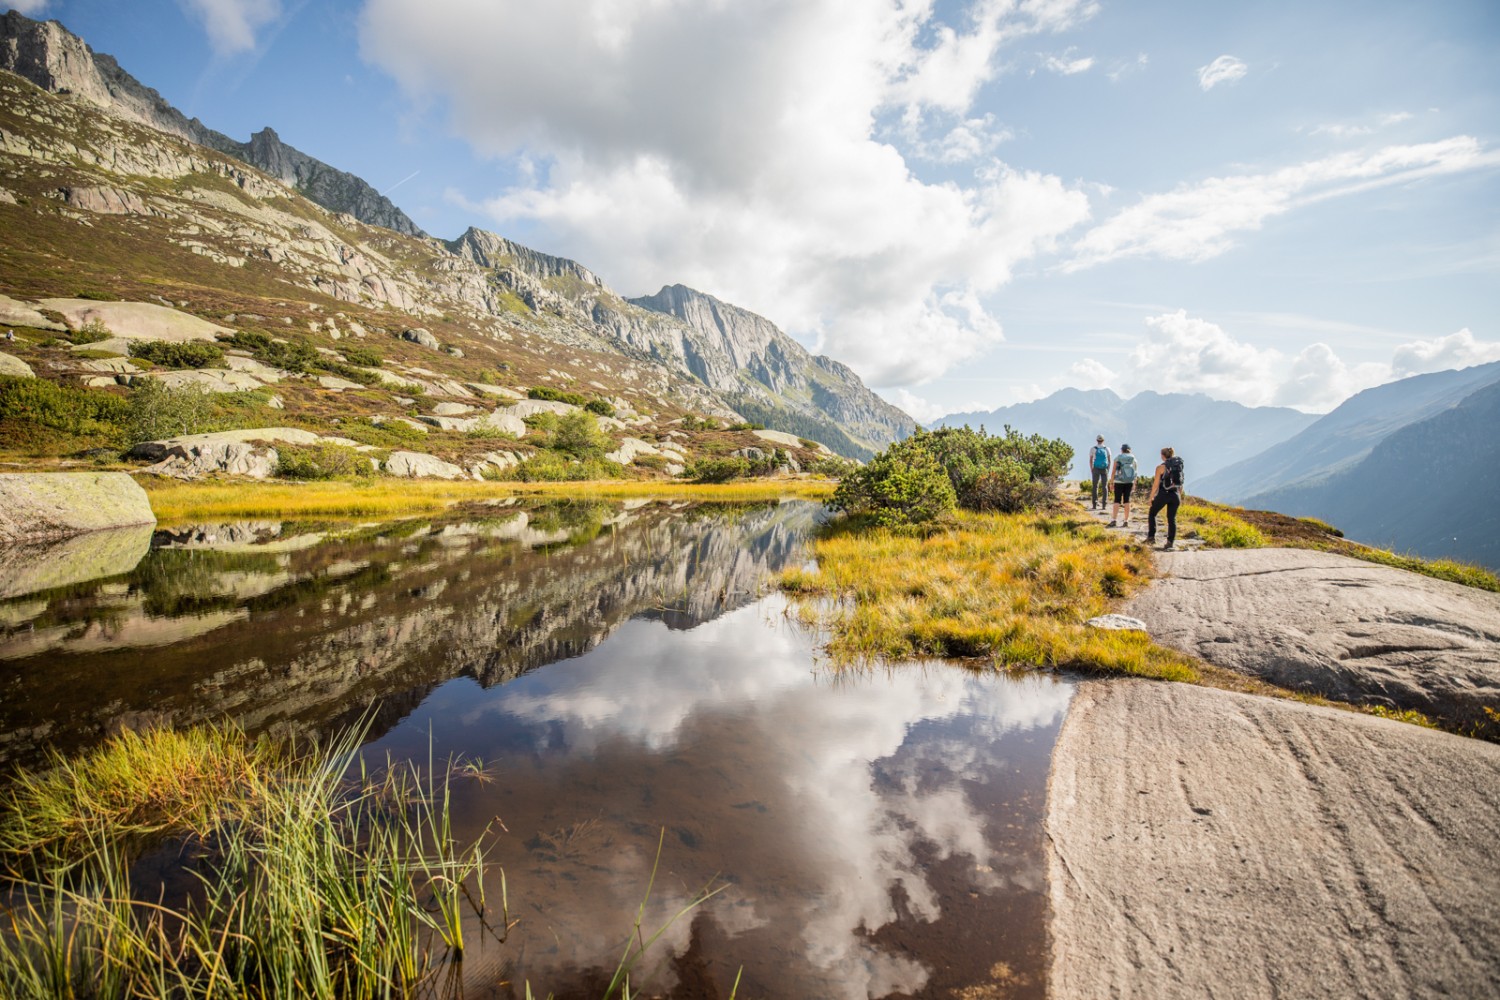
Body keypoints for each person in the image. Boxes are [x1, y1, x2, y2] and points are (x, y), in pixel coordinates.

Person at [1145, 446, 1185, 550]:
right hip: (1175, 495)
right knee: (1172, 519)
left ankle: (1151, 537)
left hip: (1164, 494)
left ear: (1163, 456)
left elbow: (1155, 484)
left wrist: (1151, 497)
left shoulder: (1160, 468)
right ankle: (1170, 542)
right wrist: (1179, 495)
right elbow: (1180, 482)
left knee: (1152, 513)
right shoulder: (1178, 466)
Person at [1107, 444, 1138, 527]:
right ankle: (1126, 521)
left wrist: (1111, 482)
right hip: (1129, 481)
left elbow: (1113, 471)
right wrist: (1134, 483)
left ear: (1122, 450)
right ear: (1129, 450)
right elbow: (1135, 472)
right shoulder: (1133, 458)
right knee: (1127, 500)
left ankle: (1114, 520)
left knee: (1117, 500)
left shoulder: (1118, 458)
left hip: (1119, 481)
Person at [1087, 435, 1111, 510]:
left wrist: (1092, 469)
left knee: (1095, 486)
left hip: (1096, 469)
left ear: (1097, 440)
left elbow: (1091, 460)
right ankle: (1104, 505)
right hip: (1104, 469)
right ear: (1103, 440)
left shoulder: (1093, 449)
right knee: (1105, 487)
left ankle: (1094, 504)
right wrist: (1108, 469)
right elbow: (1109, 460)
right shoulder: (1107, 449)